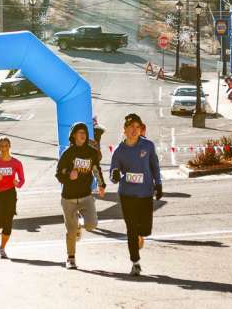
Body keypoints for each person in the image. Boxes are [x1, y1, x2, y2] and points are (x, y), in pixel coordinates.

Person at [110, 113, 162, 277]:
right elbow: (113, 173)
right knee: (131, 229)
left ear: (141, 129)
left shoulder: (147, 146)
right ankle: (135, 262)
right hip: (127, 195)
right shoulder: (119, 151)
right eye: (131, 127)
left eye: (137, 127)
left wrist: (158, 183)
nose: (134, 130)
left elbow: (155, 165)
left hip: (145, 193)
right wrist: (115, 175)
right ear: (124, 130)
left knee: (145, 229)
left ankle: (141, 235)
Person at [56, 122, 106, 269]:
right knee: (71, 231)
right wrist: (68, 175)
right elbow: (59, 174)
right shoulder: (67, 153)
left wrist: (101, 184)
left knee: (92, 225)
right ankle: (70, 258)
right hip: (68, 198)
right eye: (79, 132)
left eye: (84, 132)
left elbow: (96, 169)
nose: (83, 135)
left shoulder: (91, 152)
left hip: (85, 196)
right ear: (73, 135)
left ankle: (80, 225)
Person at [0, 137, 25, 259]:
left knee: (8, 222)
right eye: (1, 146)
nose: (4, 148)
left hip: (10, 194)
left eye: (6, 146)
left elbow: (22, 180)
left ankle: (2, 248)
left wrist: (18, 183)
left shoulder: (16, 163)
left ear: (9, 147)